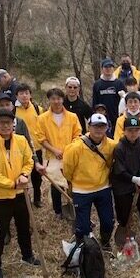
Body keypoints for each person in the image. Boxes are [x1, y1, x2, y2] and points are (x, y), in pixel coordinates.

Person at [0, 110, 40, 278]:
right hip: (0, 198)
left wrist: (24, 174)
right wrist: (12, 183)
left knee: (24, 227)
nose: (5, 126)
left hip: (21, 194)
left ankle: (27, 256)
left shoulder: (20, 141)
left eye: (8, 122)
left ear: (13, 124)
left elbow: (29, 161)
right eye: (1, 123)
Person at [62, 113, 117, 250]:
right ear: (89, 127)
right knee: (83, 226)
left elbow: (112, 163)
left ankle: (105, 243)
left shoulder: (111, 145)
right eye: (95, 126)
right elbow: (68, 169)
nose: (99, 130)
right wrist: (73, 183)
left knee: (108, 221)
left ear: (106, 128)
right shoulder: (75, 148)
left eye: (102, 127)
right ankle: (85, 249)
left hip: (103, 187)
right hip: (82, 190)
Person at [35, 88, 81, 218]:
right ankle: (57, 211)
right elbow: (41, 138)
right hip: (53, 156)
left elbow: (77, 134)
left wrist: (69, 150)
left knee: (71, 183)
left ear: (63, 99)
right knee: (56, 185)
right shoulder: (42, 118)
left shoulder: (72, 117)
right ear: (49, 100)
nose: (56, 101)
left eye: (59, 98)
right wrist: (54, 150)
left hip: (70, 155)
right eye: (53, 99)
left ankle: (74, 207)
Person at [111, 117, 140, 252]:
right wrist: (134, 179)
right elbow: (119, 171)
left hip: (139, 182)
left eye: (136, 130)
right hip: (122, 185)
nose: (133, 133)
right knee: (124, 214)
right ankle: (125, 237)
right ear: (124, 131)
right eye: (130, 130)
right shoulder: (119, 148)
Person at [14, 84, 46, 208]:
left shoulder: (39, 109)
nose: (24, 95)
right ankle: (23, 200)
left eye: (26, 93)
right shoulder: (13, 111)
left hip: (36, 148)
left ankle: (37, 199)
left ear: (30, 94)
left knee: (37, 176)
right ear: (17, 96)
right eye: (21, 93)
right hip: (20, 150)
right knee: (22, 175)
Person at [93, 58, 126, 137]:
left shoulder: (119, 83)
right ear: (102, 69)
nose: (108, 69)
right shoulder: (97, 84)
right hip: (101, 118)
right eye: (106, 67)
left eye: (110, 67)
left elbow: (123, 103)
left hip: (116, 118)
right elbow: (95, 102)